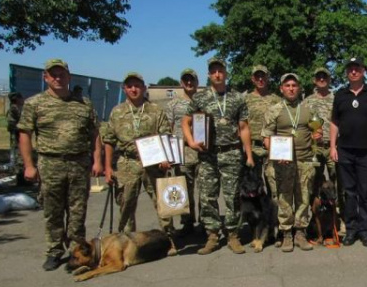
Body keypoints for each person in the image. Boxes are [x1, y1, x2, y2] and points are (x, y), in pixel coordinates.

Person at [17, 59, 102, 271]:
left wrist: (97, 160)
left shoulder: (83, 103)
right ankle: (54, 250)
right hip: (50, 163)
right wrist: (28, 165)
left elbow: (95, 133)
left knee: (77, 210)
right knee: (53, 211)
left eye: (61, 74)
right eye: (52, 74)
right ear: (45, 77)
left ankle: (77, 250)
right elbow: (25, 134)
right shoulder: (34, 103)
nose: (57, 78)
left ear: (69, 77)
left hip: (79, 163)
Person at [182, 57, 254, 255]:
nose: (217, 74)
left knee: (232, 198)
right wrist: (190, 141)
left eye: (220, 70)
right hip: (208, 155)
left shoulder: (238, 97)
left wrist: (249, 155)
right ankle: (212, 235)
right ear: (208, 74)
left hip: (231, 153)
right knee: (207, 197)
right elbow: (186, 122)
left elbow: (244, 127)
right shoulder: (200, 98)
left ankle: (233, 235)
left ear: (226, 72)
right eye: (213, 71)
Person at [102, 72, 173, 236]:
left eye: (137, 85)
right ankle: (128, 240)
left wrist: (165, 158)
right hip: (127, 163)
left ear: (144, 88)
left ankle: (168, 237)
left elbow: (165, 135)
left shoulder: (156, 110)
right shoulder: (117, 112)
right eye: (130, 86)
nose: (134, 89)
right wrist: (107, 168)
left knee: (162, 201)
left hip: (154, 164)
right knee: (126, 204)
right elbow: (109, 141)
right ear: (124, 89)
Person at [330, 56, 367, 247]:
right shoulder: (340, 95)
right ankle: (351, 229)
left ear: (363, 71)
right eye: (350, 69)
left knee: (366, 192)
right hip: (345, 151)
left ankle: (365, 230)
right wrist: (332, 146)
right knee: (349, 193)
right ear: (347, 72)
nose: (353, 71)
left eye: (357, 68)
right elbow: (334, 122)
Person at [262, 73, 319, 252]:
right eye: (287, 85)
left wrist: (318, 135)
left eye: (294, 85)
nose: (291, 88)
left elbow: (317, 130)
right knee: (284, 198)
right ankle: (286, 233)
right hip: (283, 162)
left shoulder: (308, 109)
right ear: (281, 89)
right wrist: (275, 153)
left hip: (304, 160)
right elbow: (266, 137)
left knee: (303, 197)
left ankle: (300, 233)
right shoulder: (274, 110)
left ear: (299, 88)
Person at [165, 68, 201, 236]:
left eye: (192, 80)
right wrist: (169, 154)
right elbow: (168, 129)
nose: (189, 83)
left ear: (197, 82)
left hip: (202, 151)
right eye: (185, 80)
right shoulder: (173, 104)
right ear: (181, 83)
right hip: (182, 152)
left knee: (205, 190)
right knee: (185, 190)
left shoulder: (204, 101)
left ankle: (205, 222)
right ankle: (187, 223)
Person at [244, 65, 280, 197]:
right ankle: (258, 216)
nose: (260, 79)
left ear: (267, 78)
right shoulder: (246, 99)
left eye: (263, 76)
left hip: (272, 148)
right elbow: (241, 125)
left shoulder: (276, 99)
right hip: (253, 148)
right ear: (252, 79)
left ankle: (274, 215)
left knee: (274, 185)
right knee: (254, 186)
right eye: (257, 76)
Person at [304, 67, 339, 201]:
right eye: (319, 77)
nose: (322, 79)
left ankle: (337, 213)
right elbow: (302, 123)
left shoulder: (336, 99)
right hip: (315, 148)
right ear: (314, 80)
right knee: (314, 181)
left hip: (333, 147)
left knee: (337, 180)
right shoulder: (307, 101)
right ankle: (315, 214)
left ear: (329, 80)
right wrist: (311, 135)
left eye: (325, 77)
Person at [7, 92, 24, 181]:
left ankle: (21, 176)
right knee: (19, 155)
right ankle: (20, 178)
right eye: (20, 97)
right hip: (16, 135)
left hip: (19, 134)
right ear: (16, 99)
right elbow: (12, 124)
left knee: (21, 155)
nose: (22, 99)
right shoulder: (14, 109)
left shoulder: (18, 108)